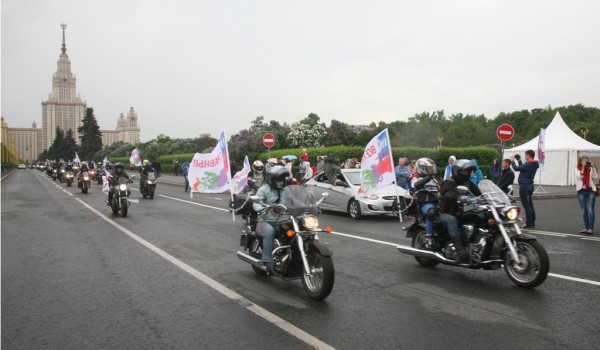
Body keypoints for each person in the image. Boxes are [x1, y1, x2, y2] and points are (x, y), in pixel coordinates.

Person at [440, 159, 482, 262]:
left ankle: (476, 245)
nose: (466, 173)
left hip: (459, 213)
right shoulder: (448, 182)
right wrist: (457, 197)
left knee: (478, 216)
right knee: (451, 220)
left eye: (468, 171)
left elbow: (479, 192)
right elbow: (447, 193)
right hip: (445, 213)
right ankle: (461, 251)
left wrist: (491, 196)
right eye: (464, 171)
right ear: (456, 171)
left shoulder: (468, 183)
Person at [253, 166, 290, 269]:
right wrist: (260, 208)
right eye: (279, 179)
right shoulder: (263, 189)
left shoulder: (286, 191)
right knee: (269, 231)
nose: (282, 181)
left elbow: (294, 200)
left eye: (283, 179)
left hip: (282, 221)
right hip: (265, 221)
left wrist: (309, 206)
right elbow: (256, 203)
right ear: (272, 179)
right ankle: (266, 260)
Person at [511, 150, 539, 229]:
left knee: (526, 205)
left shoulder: (528, 164)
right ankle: (532, 221)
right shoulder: (533, 164)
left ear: (528, 155)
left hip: (524, 186)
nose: (525, 157)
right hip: (530, 185)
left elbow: (516, 168)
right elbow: (522, 168)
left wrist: (513, 161)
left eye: (526, 155)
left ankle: (529, 223)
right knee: (530, 204)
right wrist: (519, 160)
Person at [575, 155, 597, 235]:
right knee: (584, 211)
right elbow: (580, 177)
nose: (584, 162)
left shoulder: (590, 168)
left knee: (590, 210)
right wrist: (583, 167)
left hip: (591, 190)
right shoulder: (577, 168)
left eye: (586, 160)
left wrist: (593, 167)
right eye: (583, 160)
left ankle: (590, 228)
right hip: (581, 191)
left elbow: (595, 176)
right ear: (580, 161)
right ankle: (586, 227)